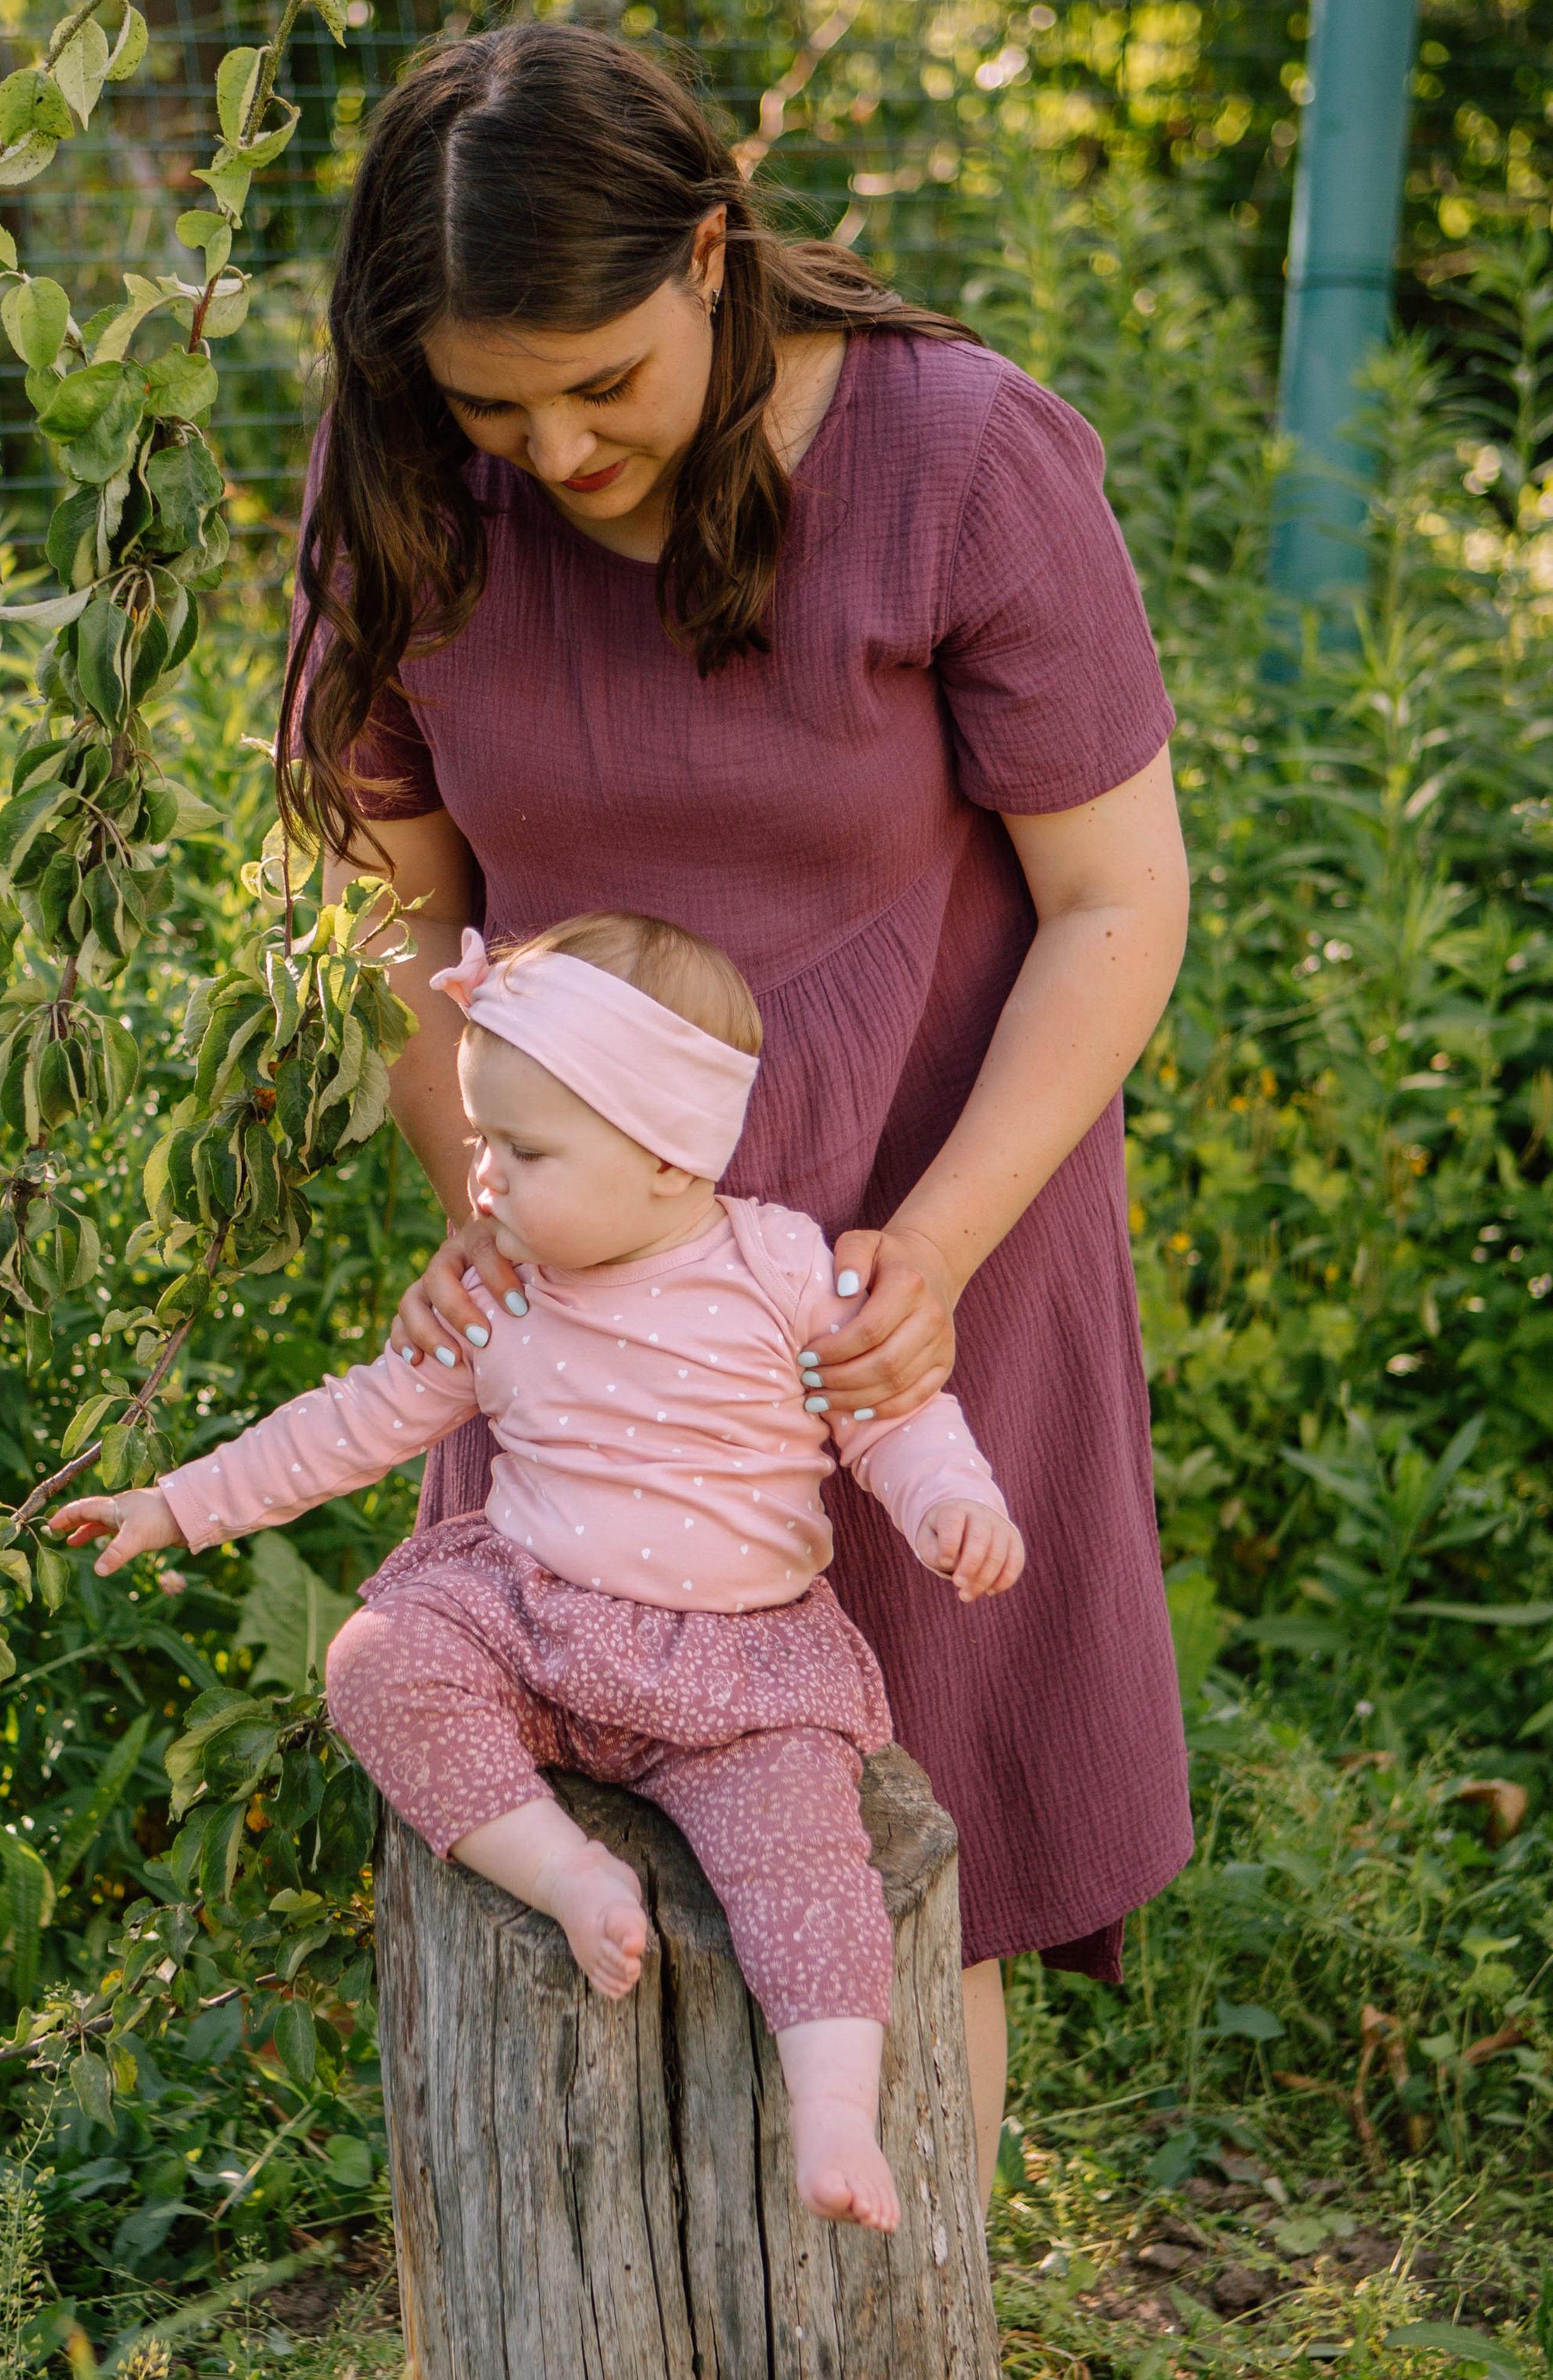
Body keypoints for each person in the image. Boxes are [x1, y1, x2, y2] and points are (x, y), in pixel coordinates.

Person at [274, 24, 1192, 2202]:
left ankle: (891, 2362)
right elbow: (399, 927)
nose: (555, 446)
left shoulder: (957, 460)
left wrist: (937, 1256)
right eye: (491, 402)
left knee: (900, 1817)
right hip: (585, 1269)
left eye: (601, 379)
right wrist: (507, 1227)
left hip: (911, 1227)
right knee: (560, 1767)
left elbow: (1112, 897)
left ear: (712, 254)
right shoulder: (411, 483)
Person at [53, 914, 1023, 2230]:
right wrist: (174, 1508)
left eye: (525, 1150)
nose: (485, 1183)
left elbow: (894, 1415)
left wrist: (952, 1505)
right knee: (378, 1659)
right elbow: (349, 1425)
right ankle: (561, 1867)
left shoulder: (785, 1274)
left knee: (811, 1862)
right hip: (532, 1626)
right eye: (484, 1141)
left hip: (736, 1670)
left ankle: (837, 2110)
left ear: (670, 1156)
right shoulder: (502, 1297)